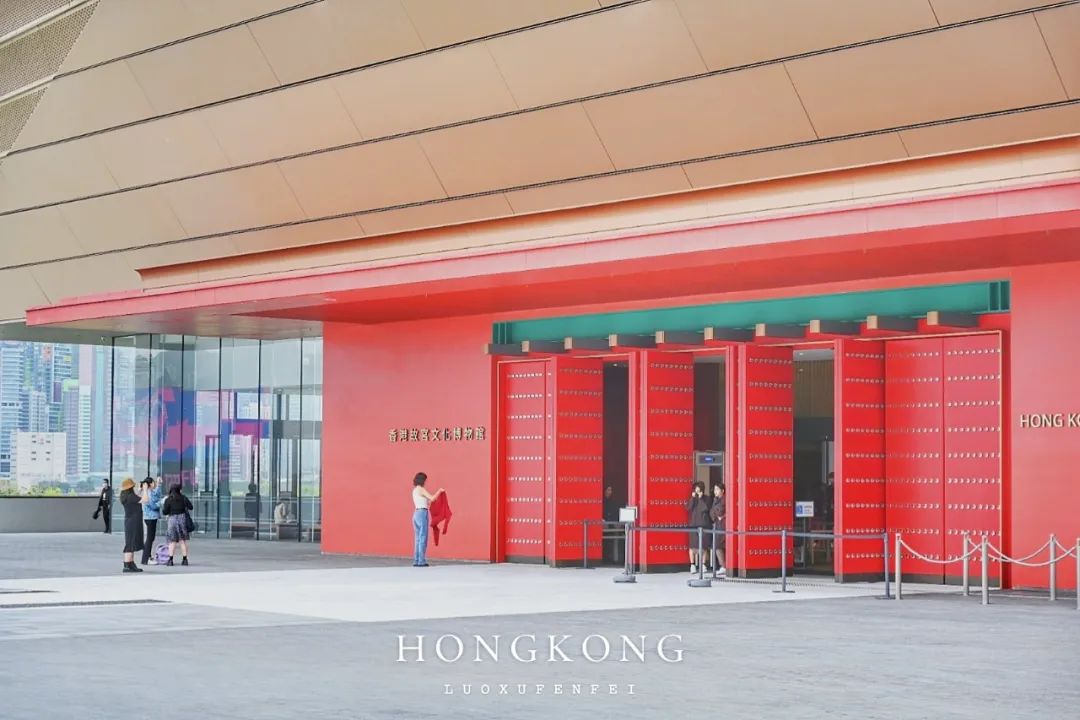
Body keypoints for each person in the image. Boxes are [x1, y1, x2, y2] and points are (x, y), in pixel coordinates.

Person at [411, 472, 444, 567]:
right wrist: (439, 491)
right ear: (422, 480)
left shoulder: (415, 490)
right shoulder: (421, 489)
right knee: (423, 538)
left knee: (418, 538)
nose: (426, 482)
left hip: (416, 513)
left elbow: (427, 501)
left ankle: (416, 560)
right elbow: (432, 498)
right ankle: (421, 561)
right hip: (422, 513)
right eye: (425, 480)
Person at [161, 483, 194, 566]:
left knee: (172, 541)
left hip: (172, 520)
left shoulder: (168, 499)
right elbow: (191, 507)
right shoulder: (183, 498)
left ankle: (170, 560)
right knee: (182, 540)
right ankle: (185, 560)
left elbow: (164, 512)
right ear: (179, 490)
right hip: (182, 520)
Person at [119, 478, 144, 573]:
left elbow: (136, 498)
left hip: (129, 521)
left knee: (131, 542)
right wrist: (145, 490)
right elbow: (144, 499)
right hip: (133, 521)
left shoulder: (126, 496)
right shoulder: (131, 496)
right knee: (130, 544)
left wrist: (140, 490)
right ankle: (127, 564)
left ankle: (130, 563)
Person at [686, 481, 711, 573]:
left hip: (704, 524)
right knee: (692, 545)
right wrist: (693, 498)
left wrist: (701, 499)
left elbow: (707, 508)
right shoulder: (693, 498)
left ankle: (703, 565)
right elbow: (688, 508)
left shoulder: (707, 498)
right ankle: (692, 565)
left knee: (703, 546)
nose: (697, 490)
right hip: (693, 525)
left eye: (698, 488)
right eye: (695, 488)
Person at [139, 477, 163, 566]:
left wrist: (159, 484)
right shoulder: (148, 493)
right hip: (150, 518)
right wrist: (161, 502)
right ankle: (146, 558)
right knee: (149, 539)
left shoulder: (150, 492)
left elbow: (157, 493)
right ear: (150, 484)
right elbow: (153, 506)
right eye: (154, 482)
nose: (155, 484)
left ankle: (148, 557)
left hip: (150, 518)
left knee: (151, 538)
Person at [709, 483, 727, 575]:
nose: (715, 491)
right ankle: (723, 565)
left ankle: (724, 566)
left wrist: (717, 513)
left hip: (723, 526)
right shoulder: (715, 500)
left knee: (719, 545)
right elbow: (711, 512)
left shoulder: (724, 499)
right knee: (716, 546)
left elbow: (720, 511)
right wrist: (716, 513)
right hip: (717, 525)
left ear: (722, 491)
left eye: (717, 489)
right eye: (715, 489)